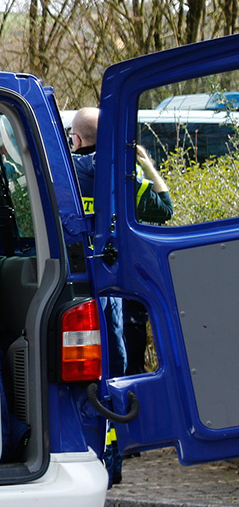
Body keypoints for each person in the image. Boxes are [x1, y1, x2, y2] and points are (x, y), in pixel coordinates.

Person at [68, 106, 173, 375]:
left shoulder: (63, 175)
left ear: (76, 140)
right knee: (117, 349)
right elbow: (165, 209)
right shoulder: (125, 176)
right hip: (114, 273)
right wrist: (146, 164)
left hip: (72, 274)